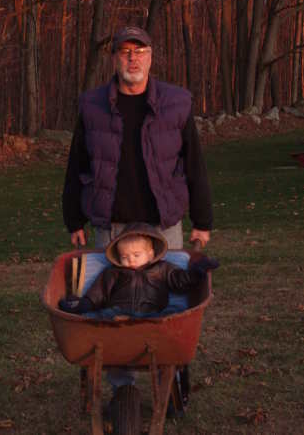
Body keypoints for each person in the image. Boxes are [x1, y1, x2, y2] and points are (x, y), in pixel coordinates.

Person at [62, 26, 213, 251]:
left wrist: (202, 222)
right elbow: (77, 166)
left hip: (164, 228)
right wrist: (74, 221)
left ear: (150, 57)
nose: (133, 58)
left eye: (140, 51)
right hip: (111, 229)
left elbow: (194, 165)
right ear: (114, 59)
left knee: (167, 286)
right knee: (111, 287)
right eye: (125, 51)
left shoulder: (176, 104)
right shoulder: (92, 107)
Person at [59, 223, 219, 317]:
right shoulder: (113, 272)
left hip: (153, 312)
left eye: (136, 255)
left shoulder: (162, 268)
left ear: (150, 254)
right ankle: (80, 310)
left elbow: (181, 281)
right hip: (119, 313)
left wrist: (198, 270)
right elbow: (99, 292)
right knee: (100, 316)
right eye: (124, 256)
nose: (130, 260)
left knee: (174, 313)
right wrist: (85, 303)